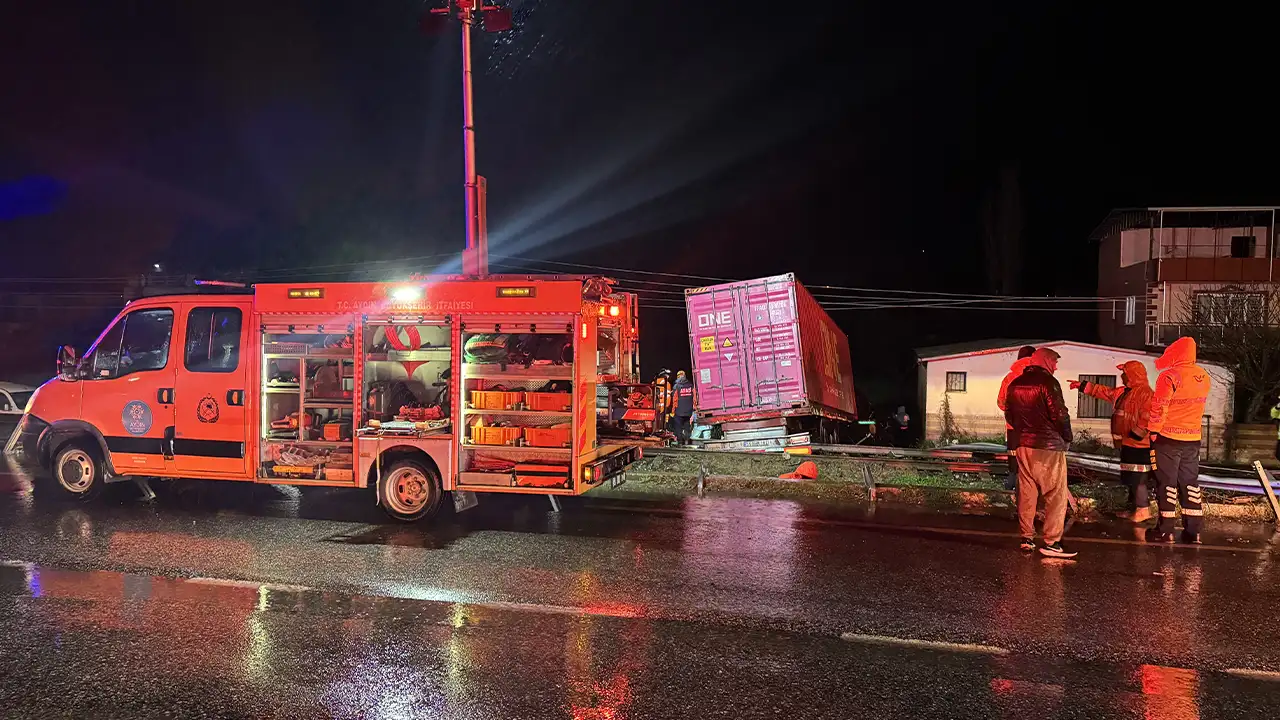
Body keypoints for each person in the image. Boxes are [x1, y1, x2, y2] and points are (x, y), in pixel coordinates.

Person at [1004, 348, 1077, 558]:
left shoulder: (1015, 383)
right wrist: (1067, 437)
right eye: (1054, 362)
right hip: (1049, 446)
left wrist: (1022, 433)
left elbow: (1009, 413)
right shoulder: (1049, 383)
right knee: (1055, 494)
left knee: (1027, 492)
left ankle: (1026, 537)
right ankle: (1052, 542)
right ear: (1045, 361)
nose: (1056, 366)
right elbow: (1060, 415)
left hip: (1023, 445)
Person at [1069, 361, 1154, 522]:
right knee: (1130, 477)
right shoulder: (1124, 392)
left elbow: (1148, 417)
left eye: (1125, 373)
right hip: (1127, 444)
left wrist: (1136, 435)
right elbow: (1104, 392)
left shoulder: (1145, 393)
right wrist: (1082, 386)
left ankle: (1143, 510)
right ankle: (1135, 509)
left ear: (1133, 375)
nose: (1122, 376)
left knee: (1138, 477)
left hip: (1139, 445)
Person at [1146, 337, 1210, 544]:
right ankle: (1194, 531)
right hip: (1192, 438)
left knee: (1167, 483)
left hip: (1168, 438)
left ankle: (1165, 531)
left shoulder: (1169, 376)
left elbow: (1160, 407)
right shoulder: (1203, 376)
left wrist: (1153, 431)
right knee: (1190, 483)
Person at [997, 346, 1038, 490]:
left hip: (1013, 425)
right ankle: (1030, 483)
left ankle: (1012, 480)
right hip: (1034, 425)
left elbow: (1001, 402)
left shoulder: (1009, 378)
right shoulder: (1040, 377)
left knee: (1013, 452)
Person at [671, 370, 695, 445]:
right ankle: (687, 439)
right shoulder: (691, 385)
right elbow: (694, 397)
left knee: (678, 426)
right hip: (688, 410)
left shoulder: (676, 386)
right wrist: (694, 407)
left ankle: (680, 441)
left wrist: (673, 410)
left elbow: (674, 399)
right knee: (687, 425)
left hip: (679, 411)